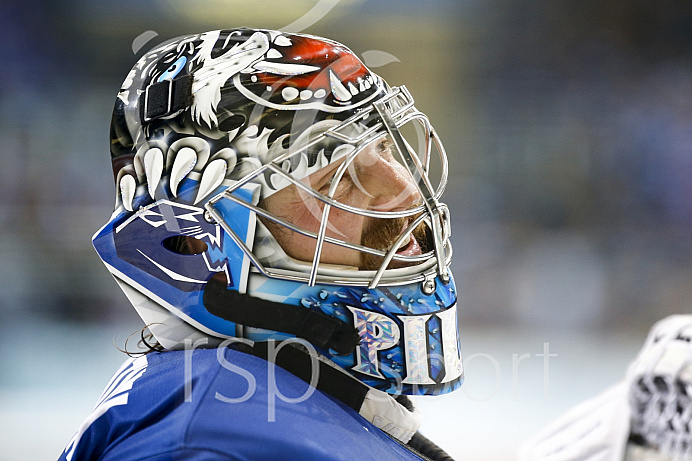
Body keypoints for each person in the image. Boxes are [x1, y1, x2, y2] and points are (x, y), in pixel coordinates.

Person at [59, 27, 462, 460]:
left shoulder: (277, 408)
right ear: (194, 245)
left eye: (383, 147)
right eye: (338, 178)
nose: (405, 190)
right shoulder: (210, 444)